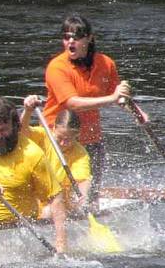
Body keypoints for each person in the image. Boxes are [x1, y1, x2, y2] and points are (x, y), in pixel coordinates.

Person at [43, 13, 131, 194]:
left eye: (76, 37)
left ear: (89, 39)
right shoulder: (56, 66)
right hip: (59, 139)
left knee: (90, 194)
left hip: (91, 139)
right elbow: (72, 103)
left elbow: (118, 96)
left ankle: (91, 215)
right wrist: (112, 98)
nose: (70, 42)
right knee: (58, 193)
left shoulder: (106, 63)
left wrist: (135, 109)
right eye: (66, 37)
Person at [0, 96, 67, 253]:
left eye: (4, 130)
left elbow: (56, 197)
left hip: (17, 226)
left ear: (16, 126)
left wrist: (61, 244)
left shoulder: (32, 154)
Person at [21, 95, 92, 217]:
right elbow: (21, 131)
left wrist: (83, 196)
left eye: (69, 139)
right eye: (59, 138)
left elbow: (83, 180)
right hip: (35, 200)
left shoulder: (80, 153)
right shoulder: (43, 135)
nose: (63, 144)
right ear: (53, 128)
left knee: (49, 211)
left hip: (60, 204)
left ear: (78, 135)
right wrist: (27, 111)